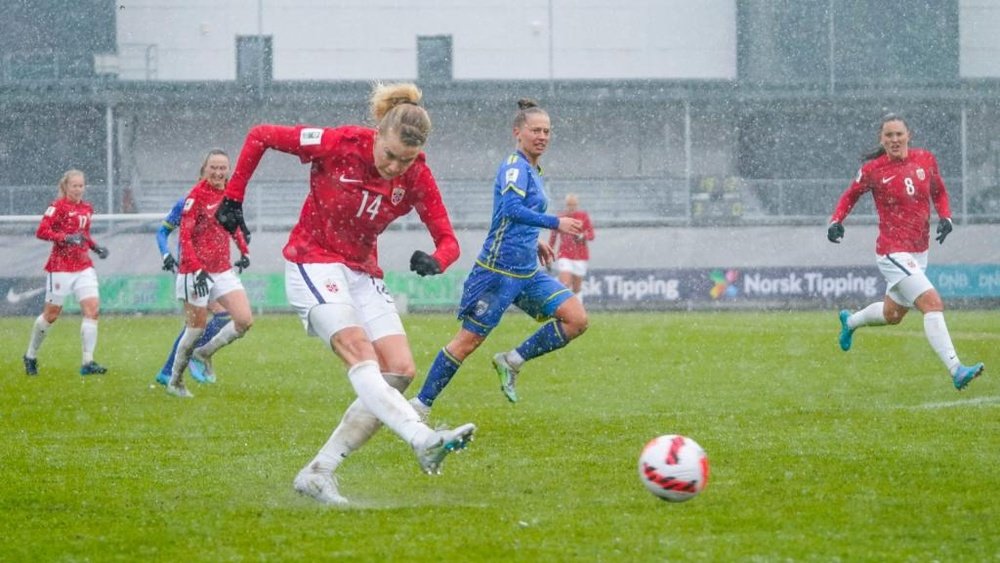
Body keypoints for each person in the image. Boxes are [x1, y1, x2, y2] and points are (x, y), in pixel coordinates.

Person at [215, 82, 476, 505]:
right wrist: (233, 196)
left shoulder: (417, 175)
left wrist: (437, 260)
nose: (394, 167)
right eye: (389, 155)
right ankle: (422, 438)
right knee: (360, 351)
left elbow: (449, 240)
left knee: (401, 370)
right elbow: (261, 134)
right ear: (377, 135)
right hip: (312, 259)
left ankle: (319, 472)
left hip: (362, 272)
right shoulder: (339, 144)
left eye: (405, 160)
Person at [411, 98, 588, 415]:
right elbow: (510, 209)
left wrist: (534, 242)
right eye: (536, 130)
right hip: (497, 273)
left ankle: (512, 360)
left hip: (526, 272)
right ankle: (421, 404)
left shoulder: (534, 170)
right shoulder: (513, 167)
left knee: (576, 319)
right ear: (518, 132)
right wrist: (555, 224)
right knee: (466, 344)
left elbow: (517, 216)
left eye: (547, 131)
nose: (542, 136)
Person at [828, 113, 985, 391]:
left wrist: (946, 216)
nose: (894, 139)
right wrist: (836, 221)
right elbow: (850, 194)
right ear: (882, 139)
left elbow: (939, 191)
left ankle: (850, 322)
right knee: (932, 304)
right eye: (889, 135)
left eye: (899, 134)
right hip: (892, 252)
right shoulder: (873, 170)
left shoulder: (925, 159)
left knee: (893, 315)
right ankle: (956, 369)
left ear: (908, 135)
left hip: (919, 251)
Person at [165, 149, 253, 398]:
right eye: (213, 167)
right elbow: (185, 236)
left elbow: (232, 226)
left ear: (228, 170)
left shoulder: (229, 193)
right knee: (194, 330)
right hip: (195, 272)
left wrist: (243, 251)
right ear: (204, 169)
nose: (217, 172)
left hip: (222, 270)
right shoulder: (195, 197)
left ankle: (204, 353)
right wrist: (197, 269)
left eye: (222, 167)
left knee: (244, 321)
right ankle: (175, 381)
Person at [152, 168, 236, 386]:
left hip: (214, 271)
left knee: (198, 324)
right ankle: (194, 356)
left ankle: (169, 369)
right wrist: (166, 254)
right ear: (202, 176)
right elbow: (162, 232)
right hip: (194, 272)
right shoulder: (187, 203)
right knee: (216, 317)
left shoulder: (221, 202)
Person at [23, 169, 110, 376]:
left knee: (92, 310)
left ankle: (87, 362)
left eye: (81, 186)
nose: (79, 189)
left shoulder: (87, 208)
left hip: (83, 266)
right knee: (51, 315)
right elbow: (42, 231)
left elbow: (84, 234)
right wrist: (65, 237)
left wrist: (96, 247)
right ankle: (30, 354)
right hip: (61, 267)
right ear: (66, 187)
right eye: (75, 186)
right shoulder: (57, 207)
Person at [548, 193, 595, 301]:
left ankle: (577, 312)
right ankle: (562, 311)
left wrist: (583, 236)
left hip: (580, 256)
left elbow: (591, 235)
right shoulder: (560, 218)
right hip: (564, 254)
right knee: (564, 285)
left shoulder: (583, 216)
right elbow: (553, 238)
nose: (571, 207)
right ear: (566, 205)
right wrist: (549, 254)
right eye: (569, 205)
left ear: (577, 205)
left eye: (574, 205)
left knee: (577, 288)